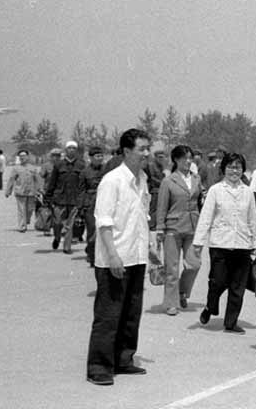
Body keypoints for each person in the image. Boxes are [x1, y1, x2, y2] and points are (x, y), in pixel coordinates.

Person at [85, 129, 152, 386]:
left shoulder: (142, 179)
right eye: (142, 149)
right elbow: (103, 221)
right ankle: (99, 366)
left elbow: (140, 216)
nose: (146, 153)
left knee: (131, 313)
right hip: (115, 258)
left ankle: (123, 359)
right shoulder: (112, 180)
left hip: (136, 256)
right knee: (108, 315)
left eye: (148, 148)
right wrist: (112, 255)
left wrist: (151, 248)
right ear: (127, 151)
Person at [193, 152, 256, 332]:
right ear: (223, 169)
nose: (234, 171)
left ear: (243, 170)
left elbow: (252, 219)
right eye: (230, 167)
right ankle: (210, 306)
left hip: (242, 244)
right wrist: (198, 243)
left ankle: (231, 321)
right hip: (220, 244)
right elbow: (206, 217)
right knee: (218, 282)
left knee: (238, 286)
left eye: (238, 167)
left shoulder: (248, 192)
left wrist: (254, 244)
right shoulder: (215, 190)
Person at [155, 145, 202, 316]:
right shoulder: (169, 181)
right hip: (173, 228)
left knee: (194, 264)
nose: (188, 161)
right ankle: (171, 303)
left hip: (192, 227)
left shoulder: (196, 179)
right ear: (176, 160)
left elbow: (200, 202)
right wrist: (160, 228)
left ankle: (182, 292)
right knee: (172, 268)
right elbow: (161, 207)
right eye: (184, 158)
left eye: (190, 158)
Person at [45, 141, 86, 253]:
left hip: (74, 200)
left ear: (76, 151)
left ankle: (67, 247)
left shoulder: (81, 165)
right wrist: (48, 196)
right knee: (57, 222)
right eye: (69, 148)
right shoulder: (59, 165)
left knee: (70, 225)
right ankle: (57, 237)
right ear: (66, 150)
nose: (71, 150)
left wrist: (82, 199)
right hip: (60, 199)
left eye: (74, 148)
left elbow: (84, 183)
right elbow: (52, 182)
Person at [77, 146, 105, 267]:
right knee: (92, 229)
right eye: (97, 156)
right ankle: (92, 254)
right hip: (90, 203)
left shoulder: (107, 170)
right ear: (91, 158)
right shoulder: (85, 172)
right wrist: (80, 207)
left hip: (104, 201)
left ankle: (100, 253)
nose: (100, 158)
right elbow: (81, 190)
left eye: (101, 156)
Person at [4, 149, 43, 232]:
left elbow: (38, 180)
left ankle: (26, 220)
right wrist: (8, 191)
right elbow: (11, 179)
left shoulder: (33, 168)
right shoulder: (16, 168)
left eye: (24, 156)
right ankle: (22, 226)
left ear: (27, 157)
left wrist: (40, 189)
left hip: (31, 192)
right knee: (21, 210)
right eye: (20, 156)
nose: (22, 157)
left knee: (30, 209)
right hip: (20, 192)